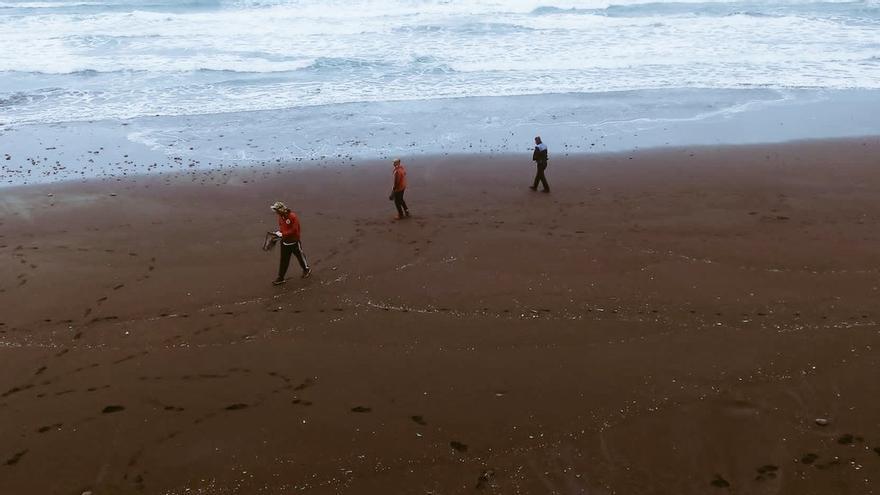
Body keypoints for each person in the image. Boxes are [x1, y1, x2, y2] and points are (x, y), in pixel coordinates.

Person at [270, 201, 311, 285]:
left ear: (281, 209)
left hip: (294, 242)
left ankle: (306, 269)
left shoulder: (292, 216)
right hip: (285, 242)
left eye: (276, 210)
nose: (276, 212)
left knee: (300, 256)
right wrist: (278, 234)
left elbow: (294, 230)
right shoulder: (280, 217)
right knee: (284, 261)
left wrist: (282, 234)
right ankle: (281, 277)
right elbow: (282, 228)